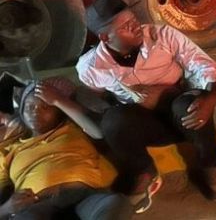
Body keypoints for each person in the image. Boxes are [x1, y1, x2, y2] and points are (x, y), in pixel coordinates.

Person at [75, 0, 216, 214]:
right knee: (113, 120)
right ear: (105, 37)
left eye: (133, 19)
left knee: (190, 104)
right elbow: (93, 96)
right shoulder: (92, 66)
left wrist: (211, 97)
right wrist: (124, 106)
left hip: (182, 115)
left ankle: (211, 165)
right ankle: (144, 171)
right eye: (126, 26)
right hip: (147, 124)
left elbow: (201, 63)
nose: (136, 26)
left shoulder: (162, 35)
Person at [0, 77, 132, 220]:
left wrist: (58, 100)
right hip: (38, 203)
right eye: (29, 107)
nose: (35, 112)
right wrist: (5, 208)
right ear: (21, 111)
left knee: (117, 204)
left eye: (45, 107)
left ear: (59, 112)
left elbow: (98, 132)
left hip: (85, 194)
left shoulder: (72, 127)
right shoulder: (9, 150)